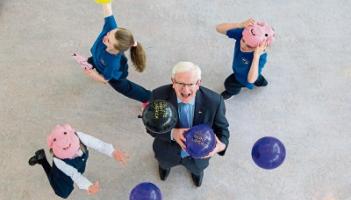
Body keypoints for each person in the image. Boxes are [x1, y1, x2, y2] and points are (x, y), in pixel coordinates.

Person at [146, 61, 230, 187]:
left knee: (197, 169)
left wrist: (221, 146)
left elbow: (222, 129)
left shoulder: (215, 101)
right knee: (164, 163)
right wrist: (173, 133)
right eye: (180, 83)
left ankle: (196, 172)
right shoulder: (158, 96)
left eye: (190, 84)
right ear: (173, 82)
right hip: (167, 151)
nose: (185, 90)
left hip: (198, 158)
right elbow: (150, 127)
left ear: (198, 83)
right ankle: (165, 167)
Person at [73, 1, 151, 108]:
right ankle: (92, 63)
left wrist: (93, 75)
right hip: (99, 60)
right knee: (94, 61)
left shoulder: (112, 63)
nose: (106, 37)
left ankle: (148, 98)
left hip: (115, 76)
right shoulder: (112, 29)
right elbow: (108, 10)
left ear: (116, 49)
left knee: (126, 89)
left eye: (109, 40)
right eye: (109, 33)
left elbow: (106, 79)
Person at [28, 124, 128, 199]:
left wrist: (112, 152)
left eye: (74, 152)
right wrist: (87, 186)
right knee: (63, 192)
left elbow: (99, 145)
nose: (73, 155)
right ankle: (42, 160)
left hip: (77, 166)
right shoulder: (59, 161)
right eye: (68, 155)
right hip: (63, 171)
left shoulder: (79, 136)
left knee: (80, 170)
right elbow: (74, 174)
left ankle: (41, 158)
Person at [216, 18, 275, 99]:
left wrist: (256, 56)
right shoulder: (243, 35)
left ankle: (231, 92)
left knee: (229, 84)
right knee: (258, 76)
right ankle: (262, 82)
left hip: (242, 78)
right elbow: (218, 28)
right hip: (243, 71)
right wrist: (239, 25)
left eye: (249, 46)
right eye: (243, 40)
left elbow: (250, 80)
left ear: (259, 48)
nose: (243, 46)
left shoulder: (261, 57)